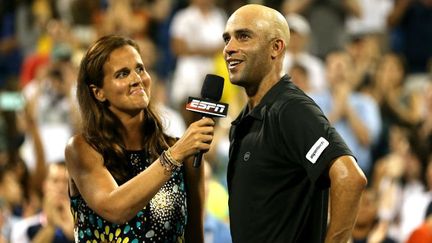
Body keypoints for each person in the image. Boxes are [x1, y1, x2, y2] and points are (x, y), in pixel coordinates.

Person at [222, 4, 367, 243]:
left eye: (243, 36)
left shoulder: (290, 109)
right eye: (227, 39)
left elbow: (350, 177)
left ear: (276, 48)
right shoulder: (244, 121)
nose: (229, 48)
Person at [65, 35, 215, 243]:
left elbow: (194, 235)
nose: (137, 79)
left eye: (140, 69)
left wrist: (177, 153)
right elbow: (114, 208)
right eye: (122, 74)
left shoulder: (182, 152)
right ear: (98, 92)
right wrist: (174, 156)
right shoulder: (83, 149)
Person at [10, 162, 74, 243]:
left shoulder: (85, 222)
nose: (61, 187)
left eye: (66, 182)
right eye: (55, 181)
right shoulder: (23, 227)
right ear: (45, 185)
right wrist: (50, 224)